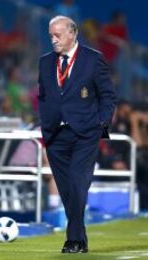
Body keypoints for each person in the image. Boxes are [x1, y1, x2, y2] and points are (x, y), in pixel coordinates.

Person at [37, 16, 116, 253]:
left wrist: (100, 123)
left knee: (77, 182)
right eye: (51, 35)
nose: (53, 40)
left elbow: (107, 96)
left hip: (85, 133)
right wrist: (46, 121)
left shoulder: (93, 59)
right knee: (66, 188)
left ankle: (72, 240)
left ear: (72, 33)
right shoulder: (45, 62)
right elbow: (44, 95)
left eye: (57, 35)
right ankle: (80, 240)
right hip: (55, 134)